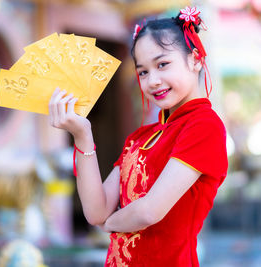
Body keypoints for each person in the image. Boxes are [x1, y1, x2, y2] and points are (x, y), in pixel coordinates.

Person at [48, 6, 228, 267]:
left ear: (196, 59)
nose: (152, 80)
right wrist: (82, 135)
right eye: (143, 71)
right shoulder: (140, 137)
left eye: (162, 64)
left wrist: (108, 225)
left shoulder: (204, 126)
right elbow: (96, 210)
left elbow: (148, 211)